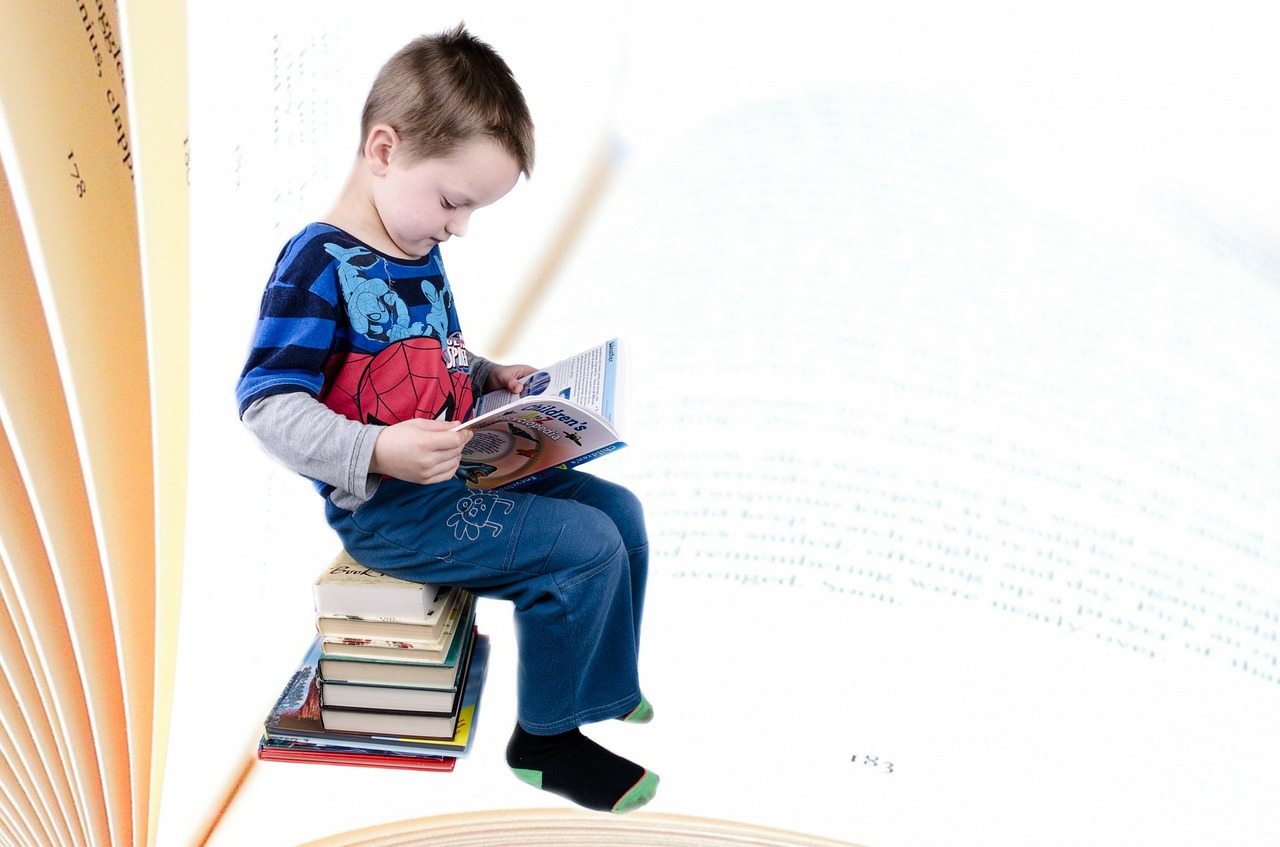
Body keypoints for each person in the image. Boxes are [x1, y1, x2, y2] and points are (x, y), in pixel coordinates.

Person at [235, 24, 657, 814]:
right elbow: (265, 404)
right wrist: (377, 448)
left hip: (465, 468)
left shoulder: (412, 241)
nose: (459, 227)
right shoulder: (315, 266)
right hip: (395, 514)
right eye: (455, 202)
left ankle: (601, 684)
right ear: (384, 149)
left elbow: (433, 355)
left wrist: (492, 374)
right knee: (583, 548)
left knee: (621, 515)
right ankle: (545, 741)